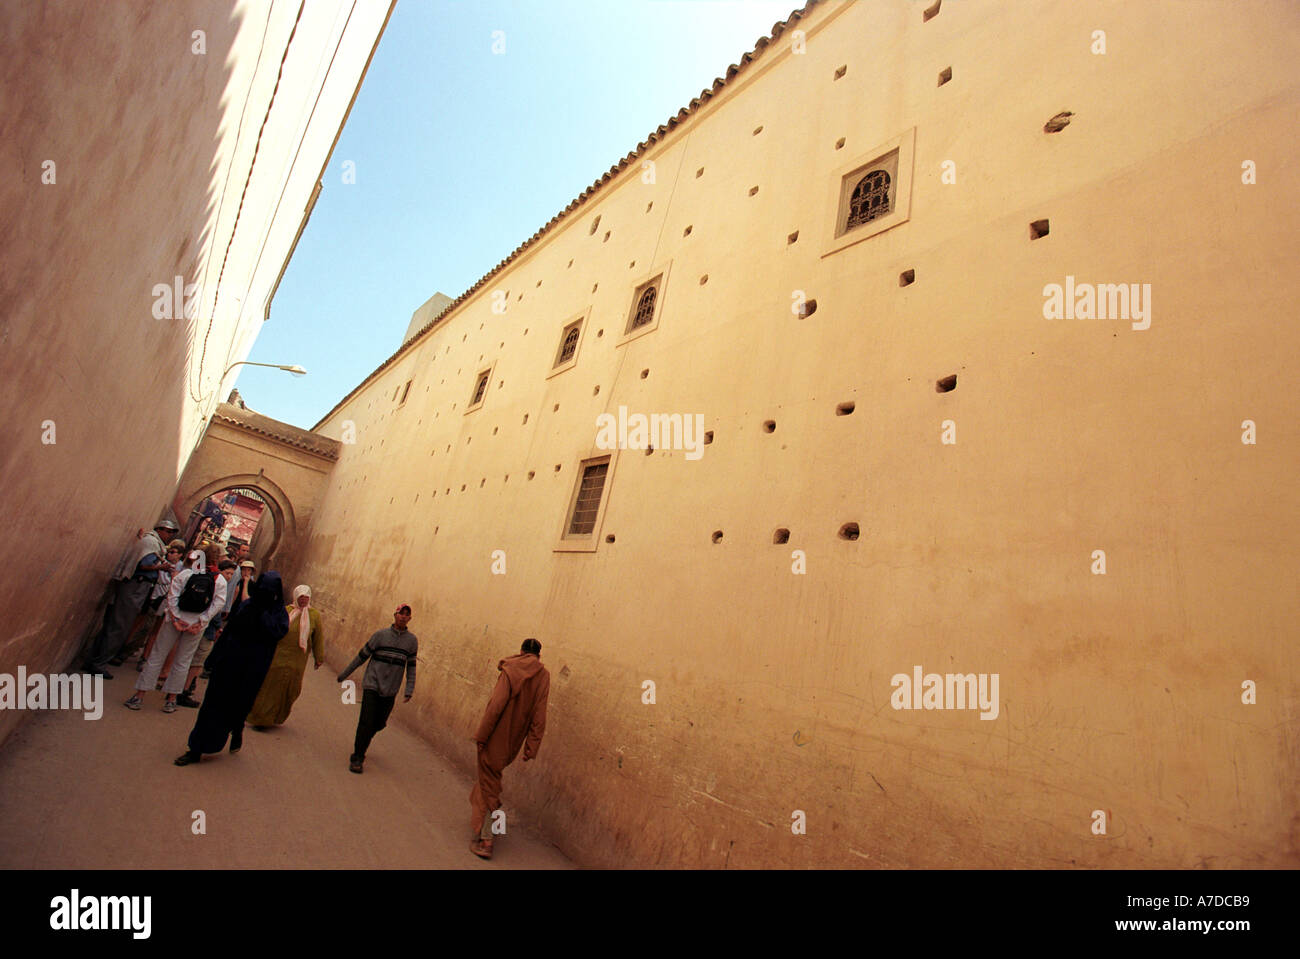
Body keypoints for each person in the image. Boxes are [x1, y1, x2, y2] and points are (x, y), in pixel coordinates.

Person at [174, 572, 289, 765]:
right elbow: (228, 632)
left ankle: (237, 729)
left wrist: (262, 615)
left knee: (240, 705)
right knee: (212, 706)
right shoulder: (246, 606)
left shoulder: (278, 614)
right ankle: (196, 749)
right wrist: (213, 659)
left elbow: (277, 633)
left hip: (253, 668)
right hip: (228, 664)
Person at [469, 638, 550, 860]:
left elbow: (496, 705)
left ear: (522, 652)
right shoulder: (543, 676)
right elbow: (539, 716)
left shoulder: (510, 669)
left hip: (495, 736)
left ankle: (487, 840)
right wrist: (531, 747)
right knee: (488, 779)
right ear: (538, 656)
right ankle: (483, 826)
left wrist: (482, 735)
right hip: (512, 742)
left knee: (489, 785)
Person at [124, 545, 225, 713]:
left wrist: (176, 618)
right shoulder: (218, 580)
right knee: (183, 661)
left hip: (174, 620)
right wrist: (201, 621)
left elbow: (173, 594)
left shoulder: (187, 573)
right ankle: (171, 699)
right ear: (217, 560)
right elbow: (218, 604)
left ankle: (139, 695)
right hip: (195, 625)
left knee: (157, 655)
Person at [83, 520, 179, 677]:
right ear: (160, 529)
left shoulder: (152, 542)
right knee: (119, 626)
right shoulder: (151, 542)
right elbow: (143, 565)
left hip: (135, 587)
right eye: (168, 531)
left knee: (114, 624)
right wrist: (160, 567)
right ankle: (98, 663)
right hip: (135, 586)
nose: (170, 535)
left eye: (172, 532)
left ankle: (94, 660)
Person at [337, 604, 418, 774]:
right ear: (394, 615)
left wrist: (409, 688)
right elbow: (362, 657)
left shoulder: (411, 642)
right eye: (400, 613)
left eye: (407, 615)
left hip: (391, 689)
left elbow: (411, 666)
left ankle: (364, 739)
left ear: (409, 619)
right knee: (366, 721)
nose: (403, 617)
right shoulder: (380, 636)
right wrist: (344, 674)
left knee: (380, 723)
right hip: (372, 684)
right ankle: (358, 757)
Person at [245, 584, 324, 728]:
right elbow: (271, 629)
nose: (304, 601)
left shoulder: (314, 616)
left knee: (291, 688)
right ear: (295, 597)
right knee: (270, 685)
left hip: (298, 659)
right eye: (301, 598)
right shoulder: (285, 611)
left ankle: (276, 717)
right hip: (278, 655)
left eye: (306, 598)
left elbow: (318, 638)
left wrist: (319, 657)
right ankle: (261, 718)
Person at [174, 559, 239, 708]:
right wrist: (217, 626)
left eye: (231, 574)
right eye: (227, 573)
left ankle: (178, 688)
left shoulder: (209, 582)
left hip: (200, 624)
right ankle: (183, 691)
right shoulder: (216, 584)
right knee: (196, 662)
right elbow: (215, 610)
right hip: (205, 628)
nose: (229, 577)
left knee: (188, 658)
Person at [116, 539, 184, 666]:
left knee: (150, 629)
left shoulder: (179, 568)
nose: (170, 554)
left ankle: (138, 655)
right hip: (149, 597)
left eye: (174, 552)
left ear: (180, 554)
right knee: (138, 625)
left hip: (162, 601)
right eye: (169, 552)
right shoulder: (160, 562)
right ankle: (125, 651)